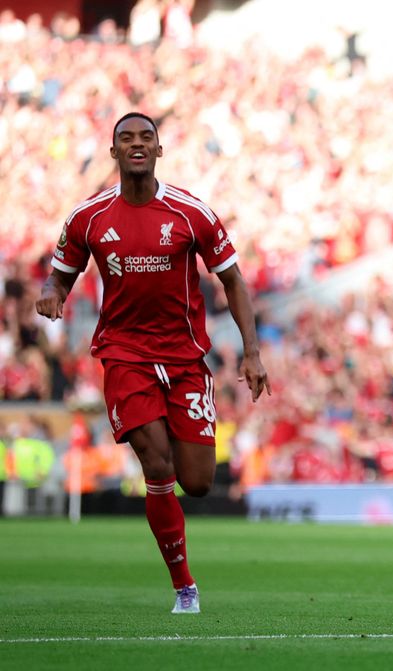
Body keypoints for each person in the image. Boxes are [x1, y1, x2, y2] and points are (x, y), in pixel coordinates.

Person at [36, 112, 271, 614]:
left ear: (160, 151)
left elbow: (233, 281)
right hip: (125, 355)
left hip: (185, 358)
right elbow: (60, 275)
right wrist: (52, 295)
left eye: (146, 137)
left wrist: (251, 351)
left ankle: (181, 549)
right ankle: (184, 587)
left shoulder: (191, 213)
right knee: (158, 465)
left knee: (200, 481)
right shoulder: (88, 217)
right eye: (126, 138)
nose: (137, 144)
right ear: (114, 152)